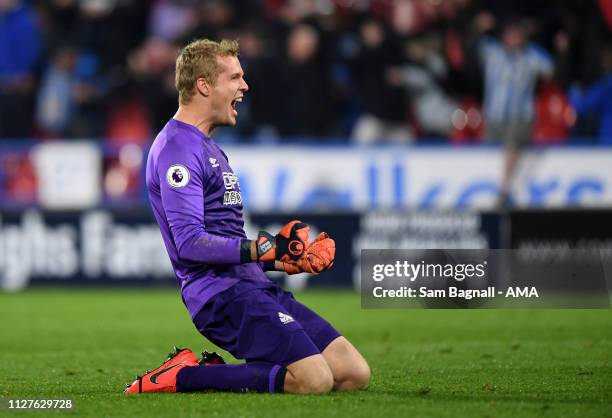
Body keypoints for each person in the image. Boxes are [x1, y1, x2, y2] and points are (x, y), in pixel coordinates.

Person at [124, 39, 370, 395]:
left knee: (352, 373)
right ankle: (181, 376)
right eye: (235, 77)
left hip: (252, 286)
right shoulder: (177, 148)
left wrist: (286, 260)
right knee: (313, 380)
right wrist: (267, 248)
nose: (245, 86)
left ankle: (252, 369)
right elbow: (191, 243)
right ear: (204, 86)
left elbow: (230, 243)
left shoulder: (209, 147)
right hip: (221, 297)